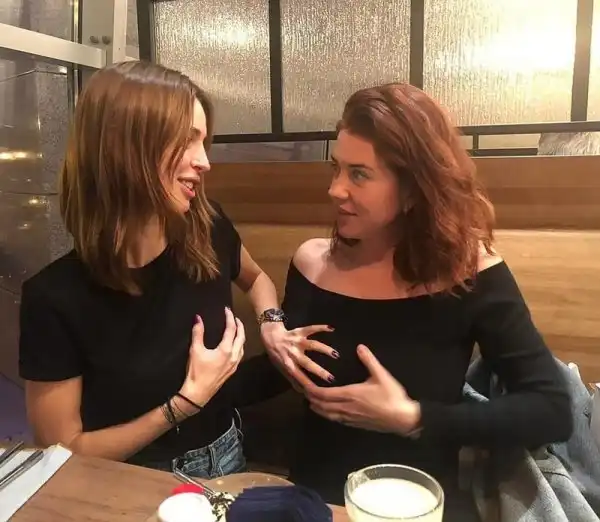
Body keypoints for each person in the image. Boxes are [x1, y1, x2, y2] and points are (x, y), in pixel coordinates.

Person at [265, 83, 573, 518]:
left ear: (413, 189)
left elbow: (551, 409)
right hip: (315, 503)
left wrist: (412, 417)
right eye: (336, 169)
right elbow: (286, 369)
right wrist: (264, 332)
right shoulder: (312, 263)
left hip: (421, 504)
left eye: (359, 174)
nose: (335, 189)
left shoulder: (469, 274)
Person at [18, 61, 322, 477]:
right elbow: (63, 450)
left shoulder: (209, 229)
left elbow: (256, 279)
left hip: (228, 453)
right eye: (186, 140)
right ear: (125, 148)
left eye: (204, 142)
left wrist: (272, 323)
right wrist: (182, 404)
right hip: (133, 478)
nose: (205, 161)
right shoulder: (54, 298)